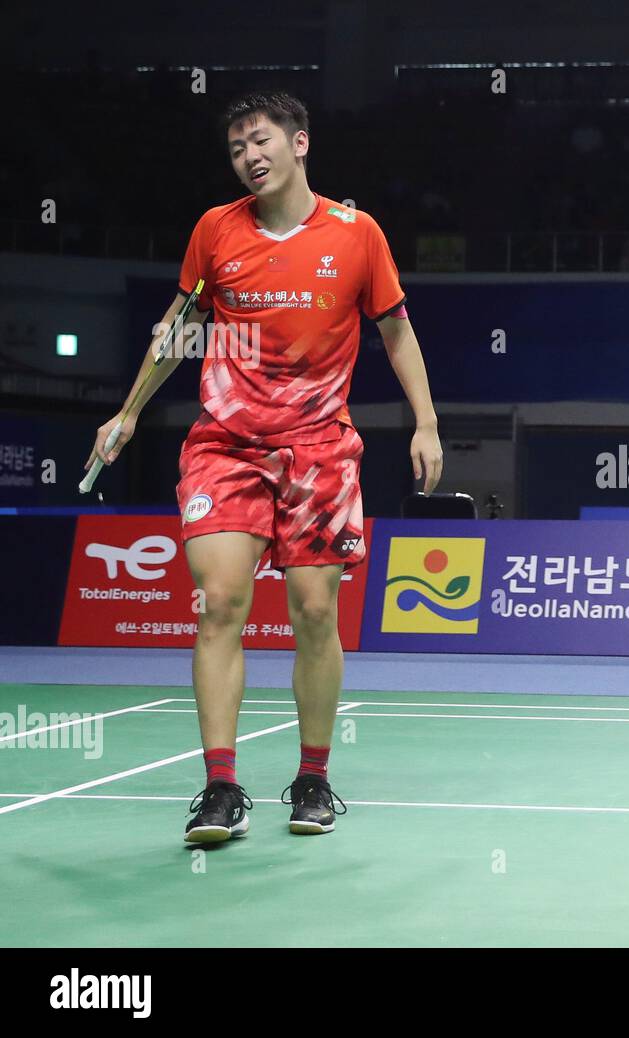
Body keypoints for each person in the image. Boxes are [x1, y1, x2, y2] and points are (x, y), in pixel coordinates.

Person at [84, 92, 443, 843]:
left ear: (299, 142)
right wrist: (128, 412)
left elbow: (397, 330)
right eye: (237, 147)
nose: (249, 155)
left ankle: (313, 776)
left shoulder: (356, 233)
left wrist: (426, 422)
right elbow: (177, 330)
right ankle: (220, 787)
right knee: (219, 603)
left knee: (315, 612)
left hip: (318, 448)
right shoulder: (215, 231)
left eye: (261, 140)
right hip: (227, 445)